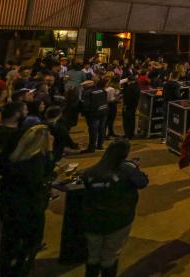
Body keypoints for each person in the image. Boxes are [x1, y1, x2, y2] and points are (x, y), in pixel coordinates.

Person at [81, 140, 149, 277]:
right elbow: (142, 182)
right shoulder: (127, 171)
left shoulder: (90, 172)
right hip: (118, 220)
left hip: (92, 221)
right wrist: (133, 167)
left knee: (93, 256)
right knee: (110, 257)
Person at [0, 124, 55, 276]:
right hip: (30, 209)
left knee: (9, 245)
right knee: (28, 246)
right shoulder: (37, 162)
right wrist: (50, 153)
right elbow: (39, 182)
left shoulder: (13, 158)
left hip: (8, 207)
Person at [82, 80, 108, 152]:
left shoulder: (87, 92)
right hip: (104, 112)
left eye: (83, 86)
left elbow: (86, 105)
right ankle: (100, 145)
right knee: (102, 129)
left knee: (93, 130)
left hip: (93, 114)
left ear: (86, 86)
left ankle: (92, 147)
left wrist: (84, 113)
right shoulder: (102, 90)